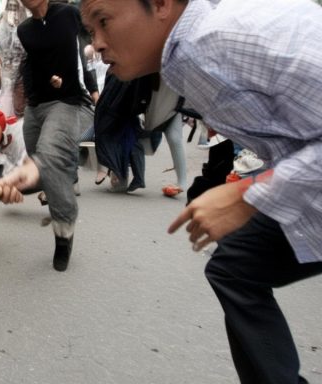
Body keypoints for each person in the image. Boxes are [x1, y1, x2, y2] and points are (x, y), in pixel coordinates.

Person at [79, 0, 322, 382]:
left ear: (160, 4)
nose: (97, 44)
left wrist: (248, 194)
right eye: (91, 30)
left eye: (104, 22)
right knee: (236, 266)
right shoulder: (185, 53)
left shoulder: (216, 42)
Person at [0, 0, 98, 272]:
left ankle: (64, 231)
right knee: (41, 160)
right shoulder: (25, 30)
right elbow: (23, 67)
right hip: (35, 105)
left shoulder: (68, 13)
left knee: (49, 157)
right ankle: (45, 182)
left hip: (66, 101)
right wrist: (19, 100)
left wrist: (93, 87)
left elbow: (87, 49)